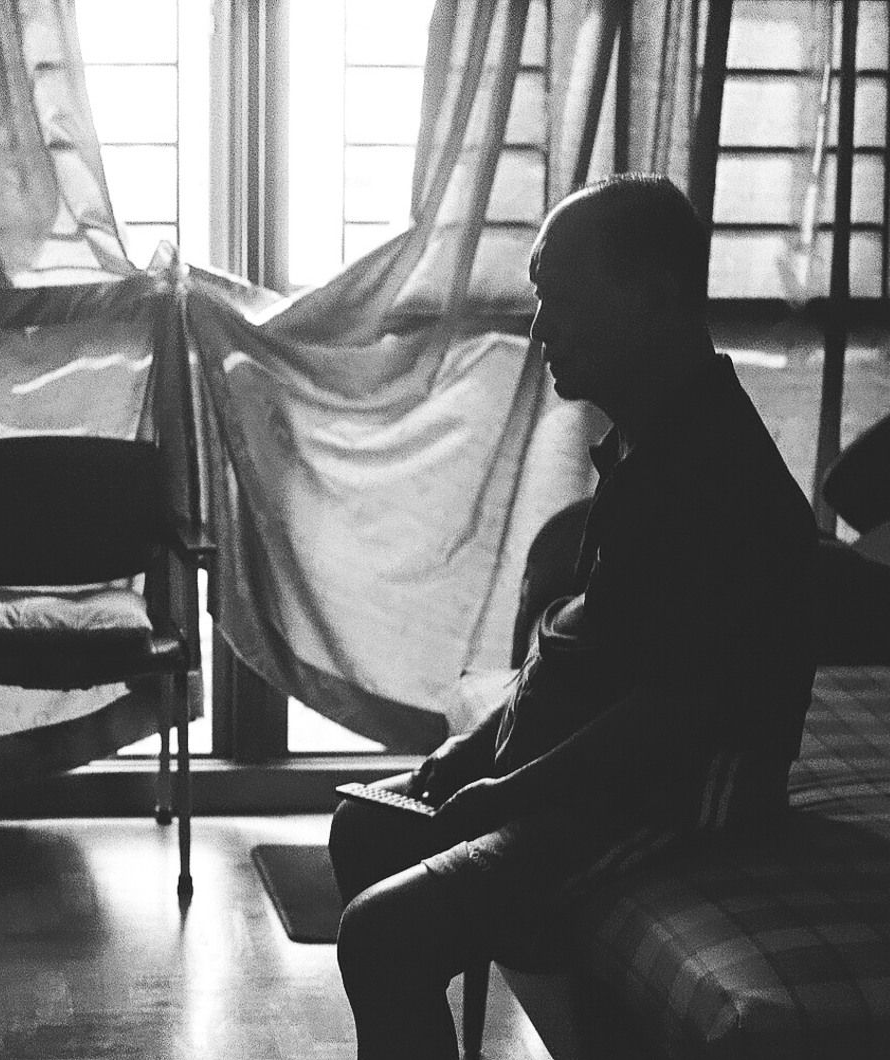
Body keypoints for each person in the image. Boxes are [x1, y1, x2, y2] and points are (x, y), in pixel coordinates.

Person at [328, 173, 818, 1060]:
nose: (541, 328)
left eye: (562, 299)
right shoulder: (652, 434)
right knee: (367, 825)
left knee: (380, 935)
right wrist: (468, 753)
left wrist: (509, 795)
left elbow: (678, 712)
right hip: (612, 767)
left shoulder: (715, 474)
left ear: (655, 298)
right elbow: (600, 650)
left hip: (673, 797)